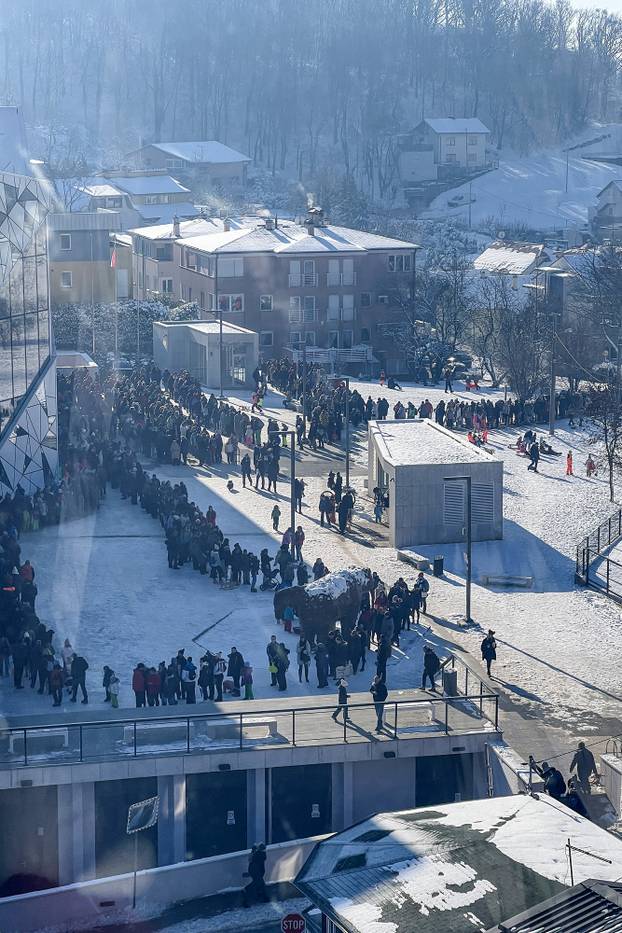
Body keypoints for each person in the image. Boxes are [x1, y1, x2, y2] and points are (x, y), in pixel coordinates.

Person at [242, 843, 268, 907]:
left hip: (255, 871)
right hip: (256, 871)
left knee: (260, 883)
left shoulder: (256, 854)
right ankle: (247, 893)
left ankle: (263, 898)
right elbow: (260, 864)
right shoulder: (260, 854)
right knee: (257, 884)